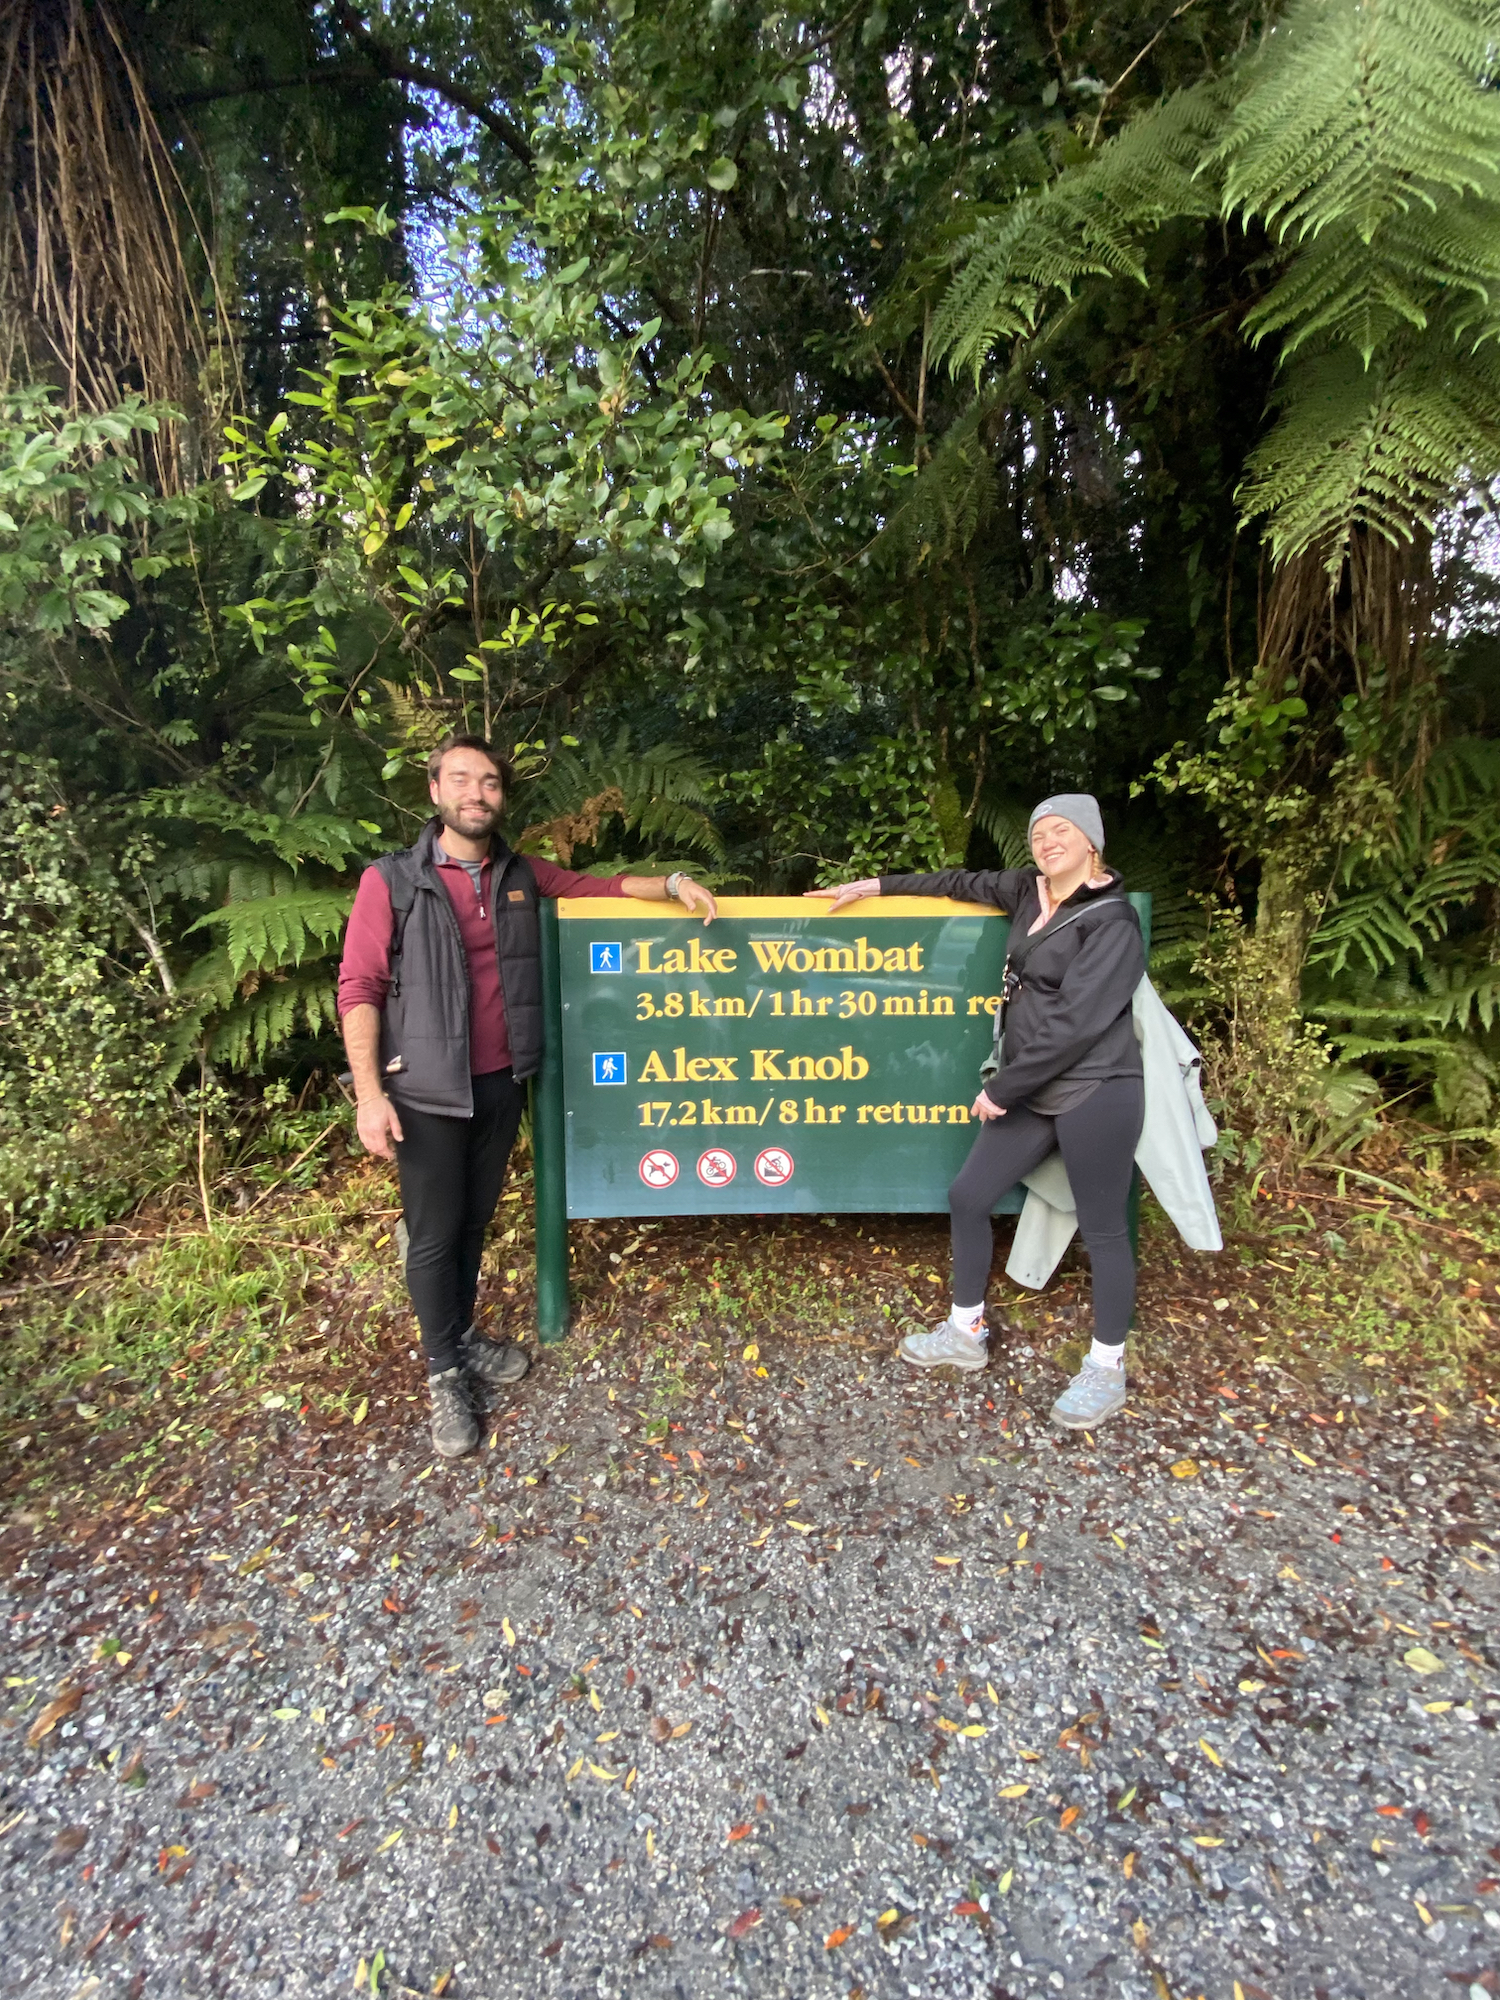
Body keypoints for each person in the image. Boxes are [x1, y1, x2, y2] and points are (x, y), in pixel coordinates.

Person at [339, 733, 717, 1457]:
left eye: (488, 783)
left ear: (501, 797)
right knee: (434, 1231)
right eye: (460, 780)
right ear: (434, 792)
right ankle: (443, 1370)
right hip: (422, 1089)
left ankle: (462, 1333)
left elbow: (601, 891)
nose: (475, 794)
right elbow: (359, 987)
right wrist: (368, 1095)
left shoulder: (518, 875)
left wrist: (671, 885)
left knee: (476, 1221)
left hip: (500, 1080)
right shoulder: (389, 882)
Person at [807, 794, 1145, 1428]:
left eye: (1062, 831)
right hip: (1033, 1088)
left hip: (1096, 1086)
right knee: (969, 1195)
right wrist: (875, 886)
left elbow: (1076, 1024)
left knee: (1104, 1230)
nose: (1047, 841)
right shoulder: (1026, 891)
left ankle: (1106, 1368)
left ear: (1091, 842)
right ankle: (966, 1333)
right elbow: (957, 881)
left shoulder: (1112, 921)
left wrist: (1003, 1088)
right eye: (1038, 832)